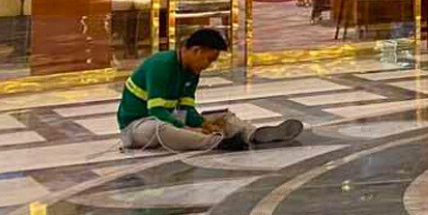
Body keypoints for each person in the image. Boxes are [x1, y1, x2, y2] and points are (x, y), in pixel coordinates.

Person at [117, 28, 303, 153]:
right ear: (196, 51)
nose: (208, 65)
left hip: (171, 117)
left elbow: (186, 109)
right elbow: (156, 111)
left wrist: (203, 124)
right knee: (161, 128)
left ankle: (253, 134)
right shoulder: (161, 65)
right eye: (208, 59)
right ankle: (216, 142)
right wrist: (190, 129)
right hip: (138, 126)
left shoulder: (192, 72)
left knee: (223, 116)